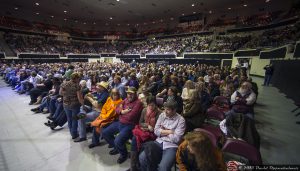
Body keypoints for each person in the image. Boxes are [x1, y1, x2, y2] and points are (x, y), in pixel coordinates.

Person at [139, 100, 186, 171]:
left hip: (171, 146)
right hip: (158, 142)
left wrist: (162, 131)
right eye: (165, 109)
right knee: (142, 158)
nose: (165, 111)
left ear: (174, 110)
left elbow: (176, 139)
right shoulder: (162, 115)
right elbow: (156, 131)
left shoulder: (181, 120)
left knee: (163, 168)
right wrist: (170, 131)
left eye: (168, 110)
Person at [102, 87, 143, 164]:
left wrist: (121, 113)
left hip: (130, 125)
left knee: (118, 140)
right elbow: (117, 109)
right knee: (105, 132)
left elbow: (131, 116)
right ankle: (117, 148)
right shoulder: (125, 100)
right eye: (128, 93)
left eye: (131, 94)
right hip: (120, 123)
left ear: (135, 94)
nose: (129, 95)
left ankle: (123, 154)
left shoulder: (138, 103)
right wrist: (122, 112)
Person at [129, 96, 161, 171]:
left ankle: (137, 165)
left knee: (141, 143)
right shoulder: (144, 110)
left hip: (153, 134)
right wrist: (147, 126)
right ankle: (133, 166)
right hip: (144, 131)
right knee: (134, 139)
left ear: (155, 104)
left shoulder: (159, 113)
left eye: (152, 105)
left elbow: (157, 128)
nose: (151, 107)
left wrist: (150, 128)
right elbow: (140, 122)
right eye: (149, 105)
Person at [59, 72, 84, 139]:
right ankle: (74, 134)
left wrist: (67, 94)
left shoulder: (64, 84)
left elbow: (60, 93)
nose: (79, 79)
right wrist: (83, 105)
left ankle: (72, 133)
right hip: (75, 105)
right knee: (75, 119)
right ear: (76, 78)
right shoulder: (77, 85)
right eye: (78, 78)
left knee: (69, 119)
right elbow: (79, 97)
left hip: (66, 104)